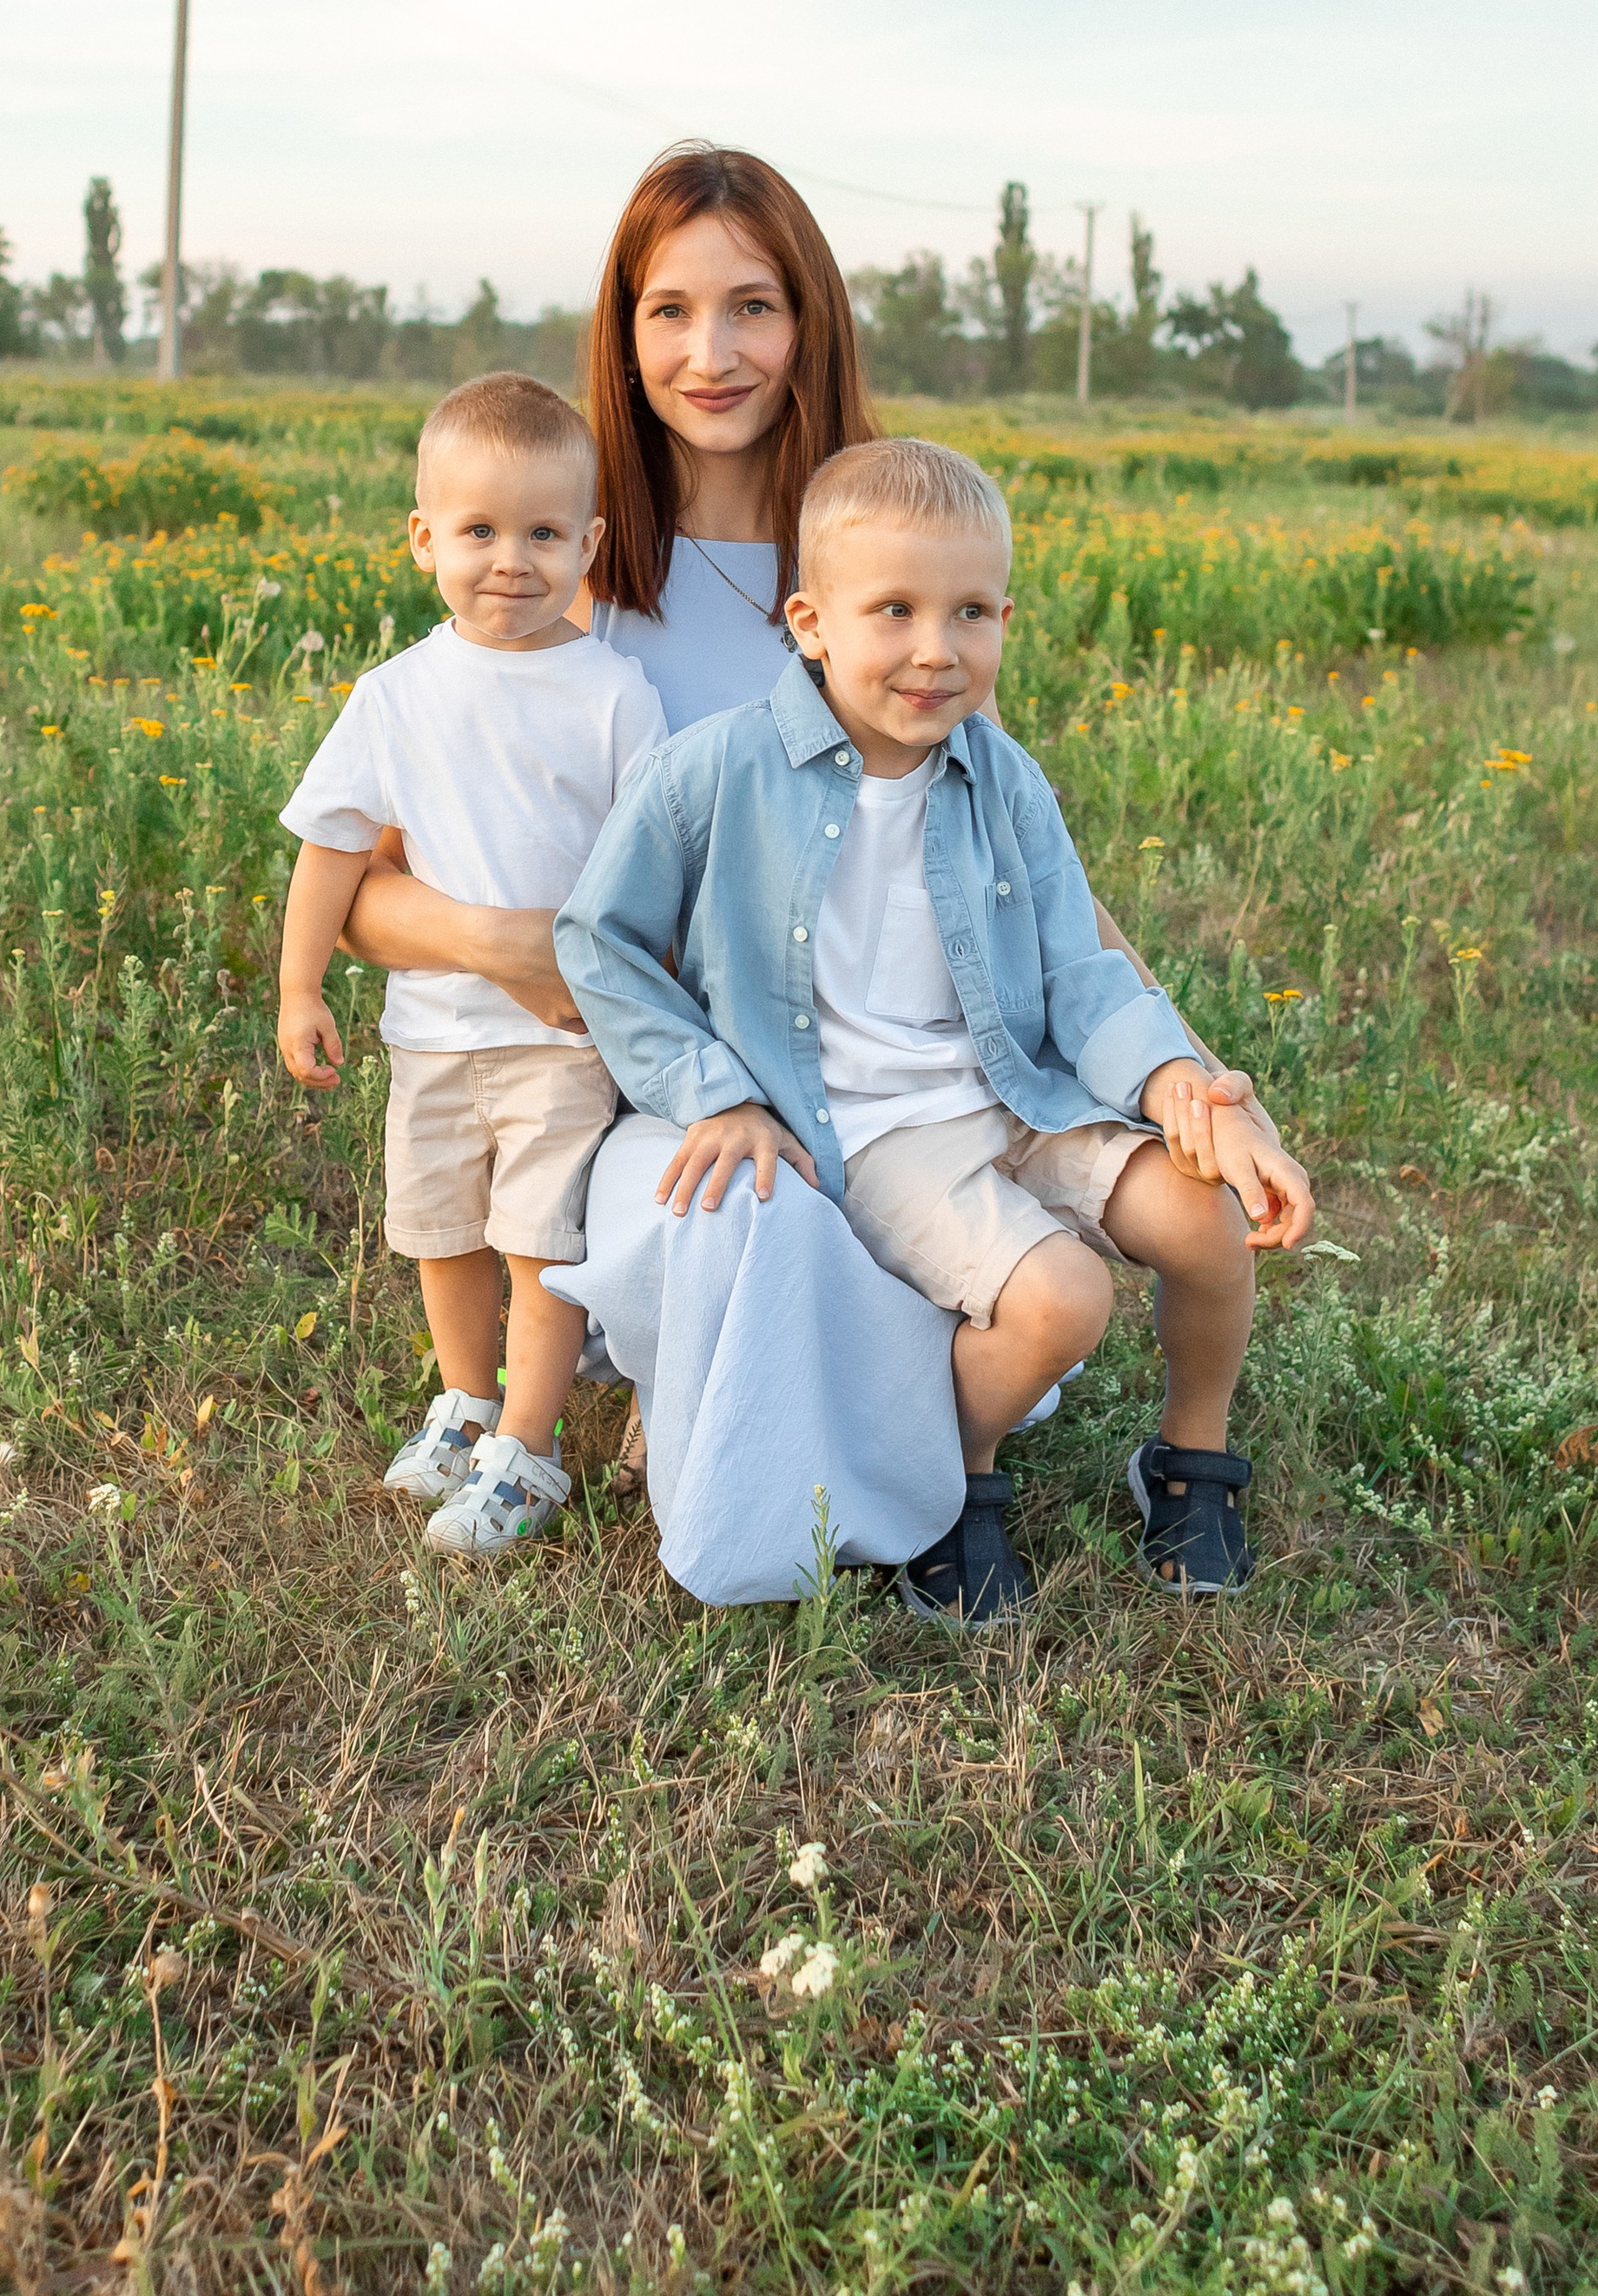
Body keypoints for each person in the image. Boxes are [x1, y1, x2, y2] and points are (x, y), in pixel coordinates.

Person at [340, 142, 1287, 1599]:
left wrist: (1192, 1077)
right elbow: (364, 890)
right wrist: (514, 943)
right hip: (659, 1069)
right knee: (746, 1203)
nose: (710, 353)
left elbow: (1013, 876)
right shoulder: (555, 562)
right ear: (622, 331)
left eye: (754, 308)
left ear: (811, 324)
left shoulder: (891, 547)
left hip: (903, 1056)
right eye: (668, 310)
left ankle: (921, 1421)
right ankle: (733, 1409)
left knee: (1106, 1214)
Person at [553, 437, 1316, 1618]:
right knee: (1063, 1300)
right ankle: (947, 1486)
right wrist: (715, 1091)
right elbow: (598, 943)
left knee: (1202, 1217)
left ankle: (1189, 1459)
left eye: (970, 612)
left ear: (1005, 620)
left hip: (1019, 1090)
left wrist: (1173, 1081)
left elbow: (1077, 969)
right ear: (811, 623)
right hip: (873, 1130)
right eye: (895, 610)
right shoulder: (712, 774)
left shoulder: (1004, 780)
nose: (935, 649)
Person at [275, 371, 665, 1559]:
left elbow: (652, 865)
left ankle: (528, 1452)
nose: (511, 560)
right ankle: (465, 1404)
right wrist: (299, 988)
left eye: (544, 534)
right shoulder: (396, 695)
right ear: (423, 540)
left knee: (541, 1243)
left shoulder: (614, 695)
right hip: (431, 1028)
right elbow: (334, 846)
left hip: (561, 1038)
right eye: (480, 530)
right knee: (442, 1231)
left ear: (588, 546)